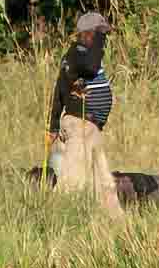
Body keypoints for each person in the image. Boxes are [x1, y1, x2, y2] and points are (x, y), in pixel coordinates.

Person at [48, 11, 120, 210]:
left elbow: (60, 89)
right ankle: (55, 217)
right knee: (72, 182)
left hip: (91, 128)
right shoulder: (77, 54)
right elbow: (89, 69)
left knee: (105, 185)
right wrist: (53, 126)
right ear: (88, 34)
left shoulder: (85, 54)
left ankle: (115, 222)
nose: (103, 41)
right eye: (101, 36)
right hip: (80, 126)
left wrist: (53, 126)